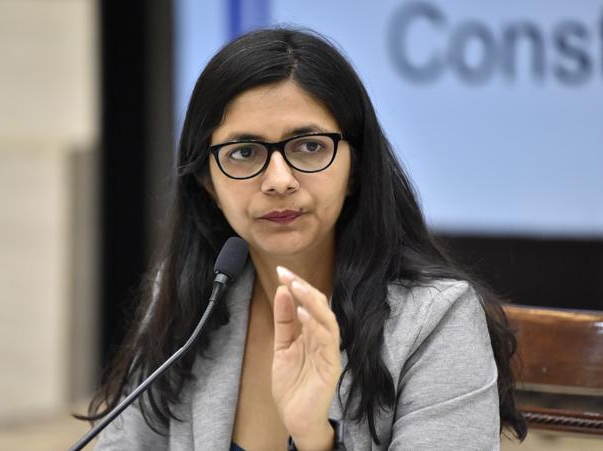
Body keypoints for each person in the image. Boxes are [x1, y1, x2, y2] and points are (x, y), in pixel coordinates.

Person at [83, 28, 527, 450]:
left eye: (309, 147)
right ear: (206, 181)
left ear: (356, 168)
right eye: (243, 152)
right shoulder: (192, 297)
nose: (278, 180)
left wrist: (315, 440)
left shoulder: (434, 321)